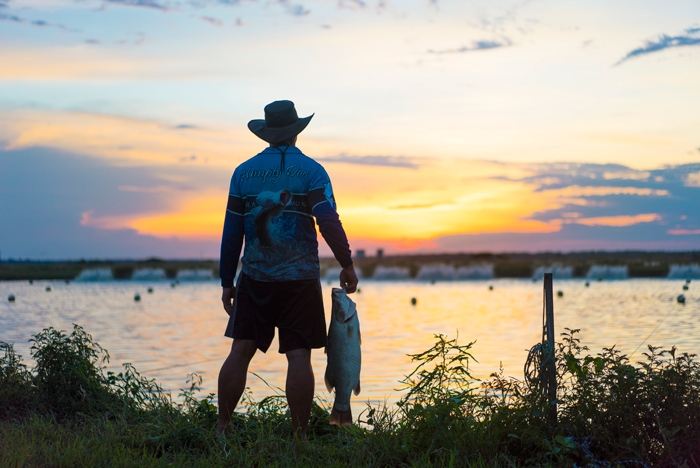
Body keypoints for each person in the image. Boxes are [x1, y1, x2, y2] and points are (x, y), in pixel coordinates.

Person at [217, 100, 359, 440]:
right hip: (300, 279)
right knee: (299, 356)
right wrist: (347, 263)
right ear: (295, 132)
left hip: (254, 277)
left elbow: (231, 231)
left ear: (266, 134)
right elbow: (327, 219)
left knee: (240, 351)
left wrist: (226, 281)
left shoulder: (243, 172)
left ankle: (222, 428)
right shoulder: (312, 171)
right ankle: (299, 438)